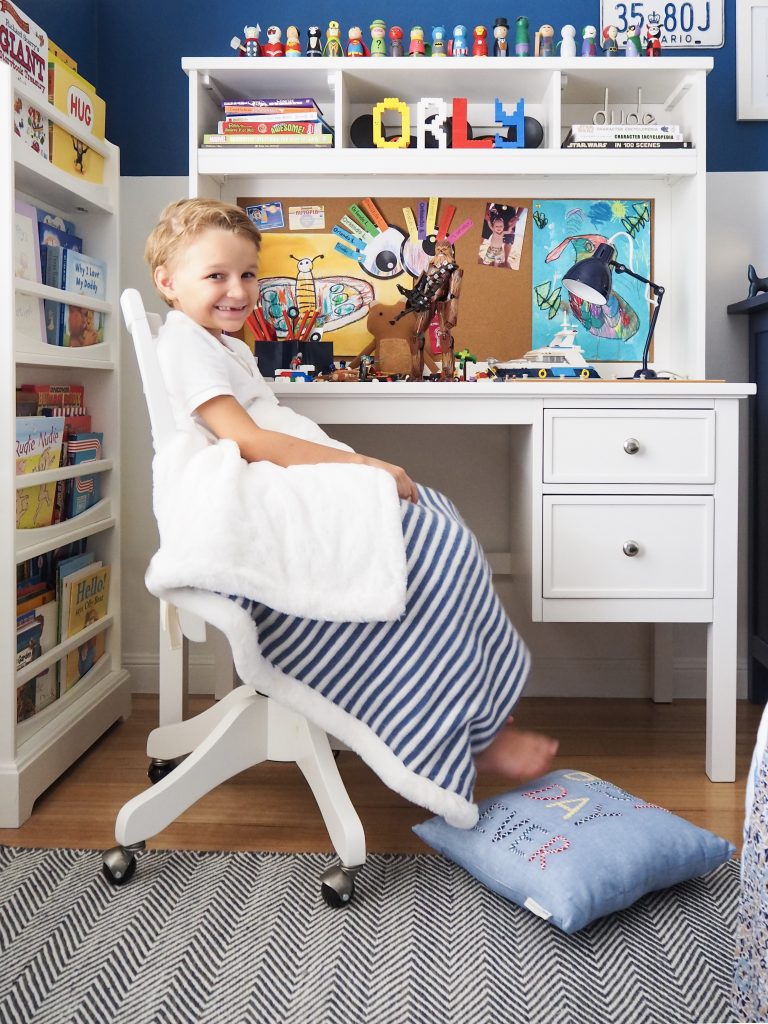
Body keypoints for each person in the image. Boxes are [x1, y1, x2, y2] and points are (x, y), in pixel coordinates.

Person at [144, 197, 557, 817]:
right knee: (438, 549)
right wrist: (363, 467)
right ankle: (469, 736)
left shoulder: (219, 342)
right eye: (216, 276)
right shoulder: (185, 346)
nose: (238, 290)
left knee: (439, 516)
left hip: (268, 480)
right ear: (168, 283)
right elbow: (248, 439)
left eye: (248, 274)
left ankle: (482, 719)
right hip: (245, 494)